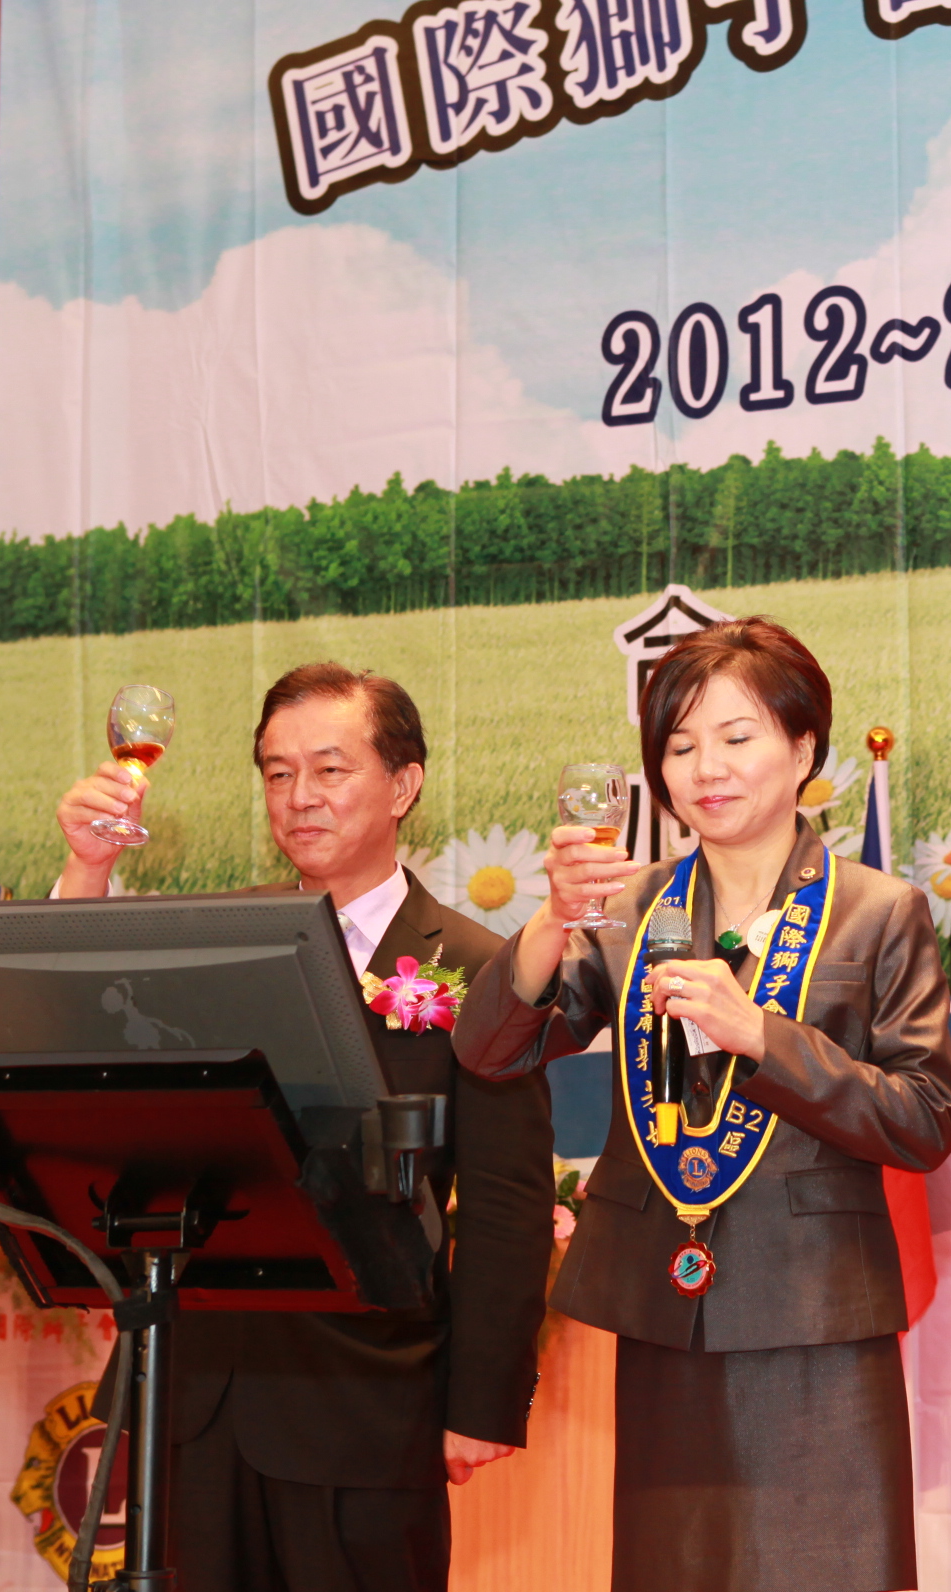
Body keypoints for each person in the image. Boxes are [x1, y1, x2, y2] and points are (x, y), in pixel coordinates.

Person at [453, 616, 951, 1592]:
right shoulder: (627, 912)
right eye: (680, 746)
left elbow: (925, 1117)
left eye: (736, 736)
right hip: (662, 1305)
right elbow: (488, 1049)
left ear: (802, 749)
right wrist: (554, 919)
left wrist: (764, 1036)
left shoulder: (878, 911)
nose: (706, 768)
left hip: (817, 1309)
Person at [52, 661, 555, 1592]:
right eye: (278, 774)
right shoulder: (217, 940)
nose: (299, 797)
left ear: (402, 785)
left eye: (329, 769)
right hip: (192, 1394)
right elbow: (75, 1041)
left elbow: (504, 1203)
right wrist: (88, 869)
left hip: (367, 1401)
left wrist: (480, 1401)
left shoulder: (482, 968)